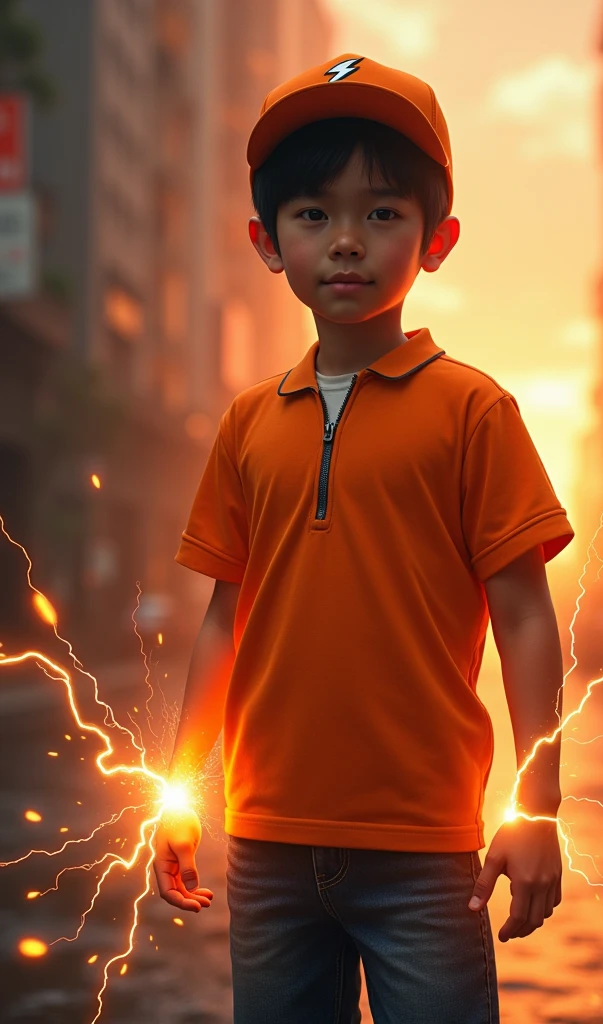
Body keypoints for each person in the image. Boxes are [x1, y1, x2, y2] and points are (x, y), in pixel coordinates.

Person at [153, 52, 575, 1024]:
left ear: (437, 240)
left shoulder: (475, 412)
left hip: (424, 855)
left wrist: (538, 803)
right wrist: (179, 790)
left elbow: (522, 619)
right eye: (313, 214)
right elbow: (224, 622)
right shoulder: (249, 422)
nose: (345, 241)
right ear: (266, 241)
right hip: (265, 847)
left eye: (381, 213)